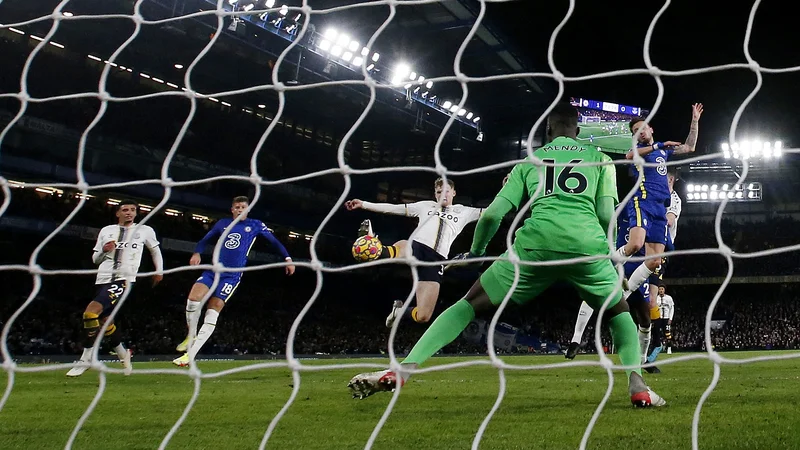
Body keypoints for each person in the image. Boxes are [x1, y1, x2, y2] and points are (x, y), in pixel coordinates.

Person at [347, 102, 665, 407]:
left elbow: (491, 216)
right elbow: (607, 216)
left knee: (468, 305)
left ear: (548, 132)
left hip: (534, 246)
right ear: (578, 130)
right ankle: (637, 385)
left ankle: (404, 369)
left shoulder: (529, 161)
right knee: (619, 315)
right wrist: (606, 253)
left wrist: (476, 252)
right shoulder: (601, 160)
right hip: (587, 245)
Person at [173, 196, 295, 366]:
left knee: (213, 310)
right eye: (237, 207)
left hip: (232, 275)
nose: (240, 209)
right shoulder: (222, 223)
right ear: (232, 209)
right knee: (193, 299)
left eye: (243, 207)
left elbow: (274, 242)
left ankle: (190, 355)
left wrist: (287, 258)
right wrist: (197, 252)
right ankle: (191, 334)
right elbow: (205, 239)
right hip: (214, 270)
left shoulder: (255, 224)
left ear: (248, 209)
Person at [344, 178, 482, 327]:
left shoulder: (465, 211)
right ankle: (375, 247)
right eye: (439, 192)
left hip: (436, 261)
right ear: (435, 194)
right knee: (404, 248)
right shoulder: (425, 206)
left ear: (454, 192)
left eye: (446, 191)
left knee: (423, 316)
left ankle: (399, 312)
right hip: (418, 246)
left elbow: (493, 211)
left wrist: (509, 190)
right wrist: (363, 204)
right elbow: (393, 208)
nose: (442, 195)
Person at [617, 104, 702, 319]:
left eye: (643, 128)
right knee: (635, 244)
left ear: (651, 129)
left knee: (655, 262)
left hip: (659, 209)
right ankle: (609, 265)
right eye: (636, 132)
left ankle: (625, 293)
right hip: (642, 202)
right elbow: (628, 156)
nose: (641, 132)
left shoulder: (663, 153)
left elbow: (690, 147)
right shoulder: (641, 152)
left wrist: (695, 121)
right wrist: (660, 145)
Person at [67, 200, 163, 377]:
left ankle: (85, 359)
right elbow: (95, 259)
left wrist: (159, 271)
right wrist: (104, 249)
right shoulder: (106, 230)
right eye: (125, 210)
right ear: (117, 213)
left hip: (124, 280)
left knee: (90, 313)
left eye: (133, 210)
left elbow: (155, 251)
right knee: (105, 322)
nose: (129, 213)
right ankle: (122, 352)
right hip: (102, 278)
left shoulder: (144, 230)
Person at [648, 285, 675, 362]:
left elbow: (672, 308)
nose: (661, 290)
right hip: (658, 318)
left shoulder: (669, 298)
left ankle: (669, 348)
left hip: (666, 318)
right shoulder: (656, 298)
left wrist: (670, 318)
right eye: (659, 289)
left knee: (667, 333)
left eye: (662, 289)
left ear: (664, 290)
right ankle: (655, 347)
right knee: (655, 332)